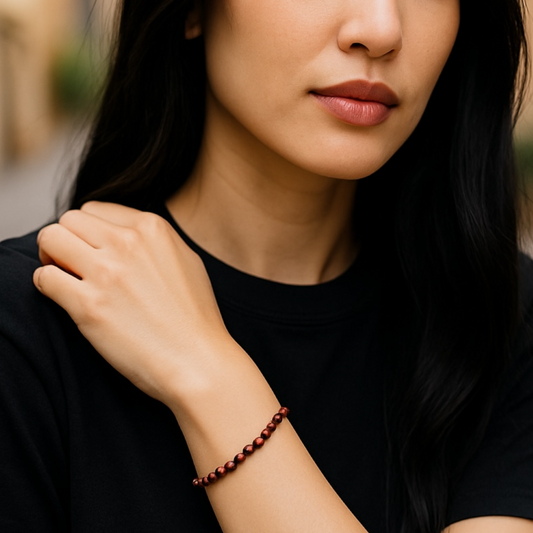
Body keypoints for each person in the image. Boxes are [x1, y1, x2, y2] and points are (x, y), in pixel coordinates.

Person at [1, 0, 532, 532]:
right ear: (192, 10)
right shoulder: (24, 332)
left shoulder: (505, 321)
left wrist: (208, 373)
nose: (380, 29)